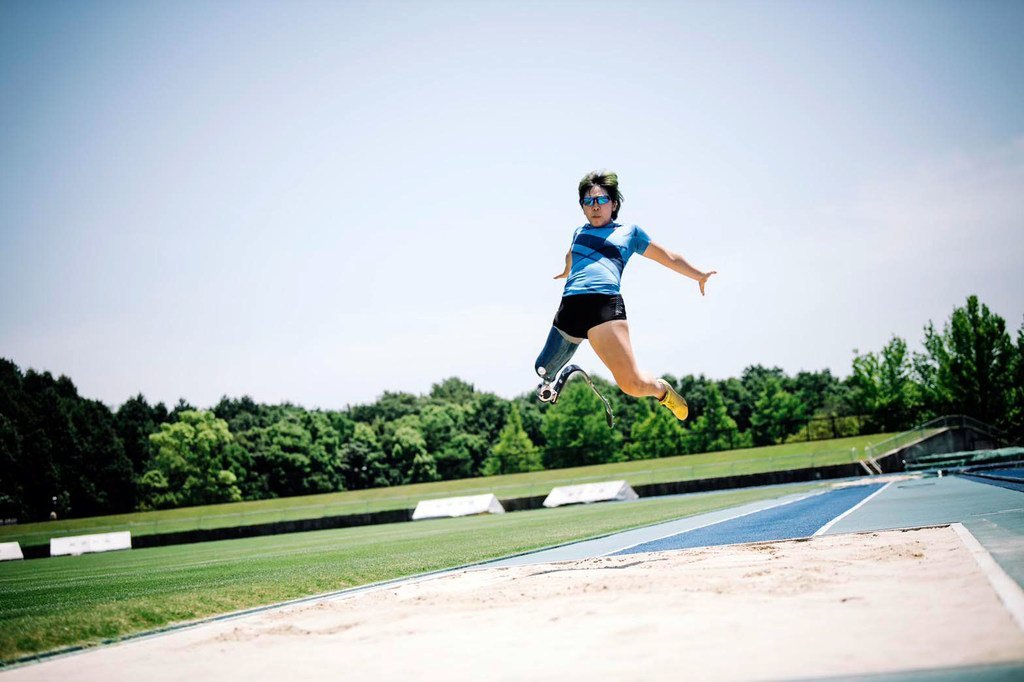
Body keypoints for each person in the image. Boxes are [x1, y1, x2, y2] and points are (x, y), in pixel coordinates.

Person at [534, 170, 716, 420]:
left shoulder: (629, 233)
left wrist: (699, 275)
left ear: (614, 204)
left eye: (600, 200)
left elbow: (669, 257)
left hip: (603, 308)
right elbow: (571, 254)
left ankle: (662, 391)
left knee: (632, 385)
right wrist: (567, 270)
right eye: (588, 202)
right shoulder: (578, 232)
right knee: (542, 369)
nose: (594, 207)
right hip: (570, 307)